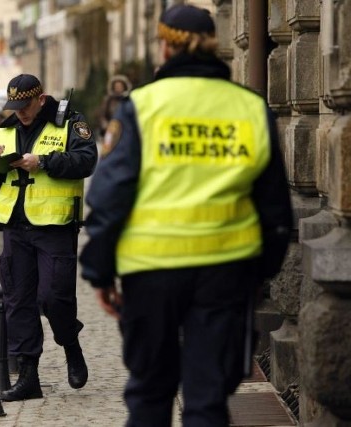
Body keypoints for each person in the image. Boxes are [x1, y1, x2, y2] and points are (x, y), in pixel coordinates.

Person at [79, 5, 293, 427]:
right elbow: (275, 207)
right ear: (213, 44)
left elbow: (110, 195)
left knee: (150, 393)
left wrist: (99, 272)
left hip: (150, 273)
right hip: (226, 272)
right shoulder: (249, 107)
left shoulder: (141, 106)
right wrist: (258, 273)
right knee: (208, 400)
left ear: (165, 46)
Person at [0, 73, 97, 401]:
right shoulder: (7, 127)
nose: (21, 112)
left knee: (53, 297)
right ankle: (29, 377)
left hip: (54, 227)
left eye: (26, 105)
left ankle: (70, 343)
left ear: (40, 99)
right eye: (15, 106)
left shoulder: (70, 122)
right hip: (15, 226)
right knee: (18, 302)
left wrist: (43, 162)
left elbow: (87, 160)